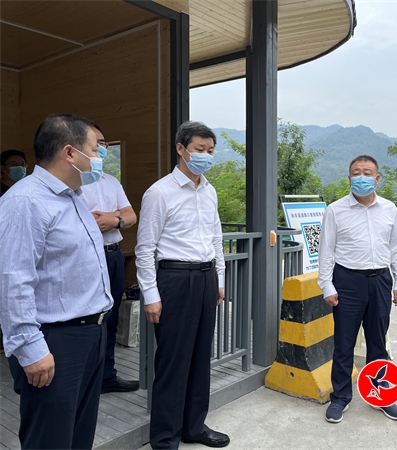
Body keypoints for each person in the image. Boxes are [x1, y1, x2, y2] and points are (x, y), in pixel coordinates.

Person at [0, 113, 113, 449]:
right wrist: (30, 348)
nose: (99, 156)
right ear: (69, 153)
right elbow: (13, 280)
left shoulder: (74, 197)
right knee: (50, 440)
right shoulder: (25, 201)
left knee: (78, 437)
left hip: (91, 333)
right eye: (94, 148)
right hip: (55, 340)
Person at [135, 121, 229, 449]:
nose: (206, 155)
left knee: (200, 357)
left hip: (206, 278)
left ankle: (194, 427)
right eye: (199, 149)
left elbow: (216, 238)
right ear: (180, 148)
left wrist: (219, 279)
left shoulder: (210, 190)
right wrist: (150, 294)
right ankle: (165, 439)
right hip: (174, 280)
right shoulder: (159, 192)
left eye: (210, 150)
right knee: (173, 362)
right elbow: (145, 248)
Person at [318, 154, 397, 424]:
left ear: (377, 179)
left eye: (367, 173)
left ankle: (381, 396)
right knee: (344, 343)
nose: (362, 177)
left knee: (378, 342)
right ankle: (340, 397)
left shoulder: (389, 209)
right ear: (349, 178)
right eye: (356, 172)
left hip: (380, 280)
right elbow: (326, 250)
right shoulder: (335, 210)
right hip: (347, 281)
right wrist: (327, 285)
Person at [79, 123, 139, 394]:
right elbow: (85, 220)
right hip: (87, 256)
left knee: (111, 317)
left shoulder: (111, 182)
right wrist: (115, 216)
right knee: (87, 319)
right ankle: (85, 379)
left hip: (113, 255)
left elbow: (131, 215)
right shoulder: (74, 182)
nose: (101, 148)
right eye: (96, 143)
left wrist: (114, 219)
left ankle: (107, 376)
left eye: (103, 143)